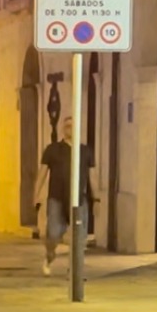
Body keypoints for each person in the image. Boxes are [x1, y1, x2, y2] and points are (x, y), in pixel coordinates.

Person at [35, 113, 97, 275]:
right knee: (53, 234)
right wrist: (35, 195)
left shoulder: (85, 151)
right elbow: (42, 174)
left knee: (79, 237)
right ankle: (50, 255)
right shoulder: (52, 150)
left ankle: (74, 270)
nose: (69, 129)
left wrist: (96, 199)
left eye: (72, 126)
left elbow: (92, 177)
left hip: (79, 199)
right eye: (66, 126)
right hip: (56, 198)